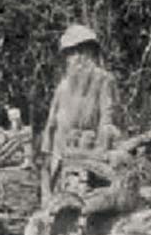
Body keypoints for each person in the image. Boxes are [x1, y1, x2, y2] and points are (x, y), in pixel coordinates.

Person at [40, 24, 123, 202]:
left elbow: (107, 115)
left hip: (87, 148)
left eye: (78, 52)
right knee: (54, 194)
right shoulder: (64, 84)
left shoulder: (103, 80)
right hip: (60, 146)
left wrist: (103, 146)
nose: (73, 58)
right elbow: (52, 119)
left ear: (89, 53)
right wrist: (46, 149)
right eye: (69, 53)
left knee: (81, 196)